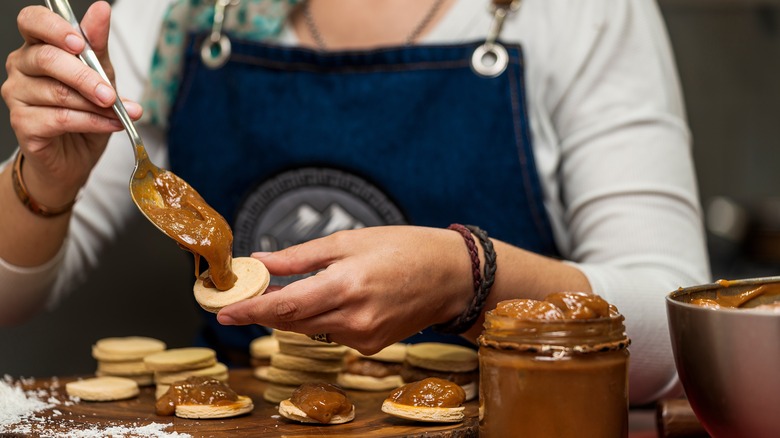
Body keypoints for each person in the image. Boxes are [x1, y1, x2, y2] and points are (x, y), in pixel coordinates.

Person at [0, 0, 710, 405]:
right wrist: (48, 180)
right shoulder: (181, 11)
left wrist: (469, 277)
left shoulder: (577, 14)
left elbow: (684, 340)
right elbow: (10, 302)